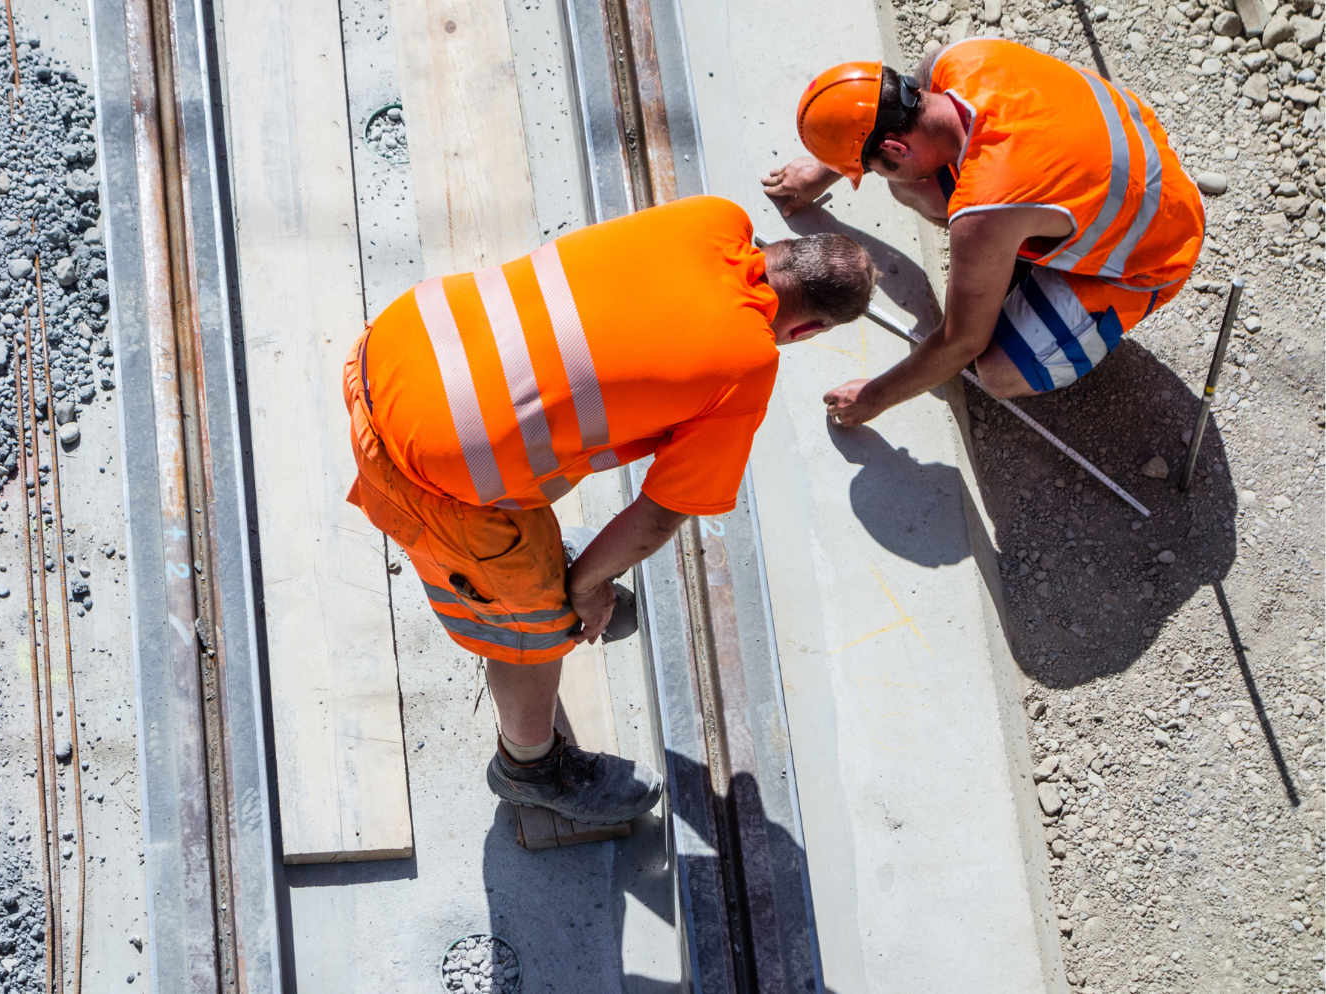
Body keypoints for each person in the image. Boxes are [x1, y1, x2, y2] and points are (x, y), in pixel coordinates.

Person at [343, 195, 875, 825]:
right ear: (808, 330)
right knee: (532, 630)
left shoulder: (712, 217)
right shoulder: (749, 363)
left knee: (556, 426)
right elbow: (658, 515)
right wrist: (585, 587)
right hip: (423, 465)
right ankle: (528, 769)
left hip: (398, 342)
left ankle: (541, 567)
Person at [762, 39, 1205, 426]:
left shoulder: (988, 207)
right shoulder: (956, 60)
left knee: (994, 368)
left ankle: (1061, 290)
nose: (873, 176)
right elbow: (880, 115)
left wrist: (873, 398)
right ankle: (1022, 255)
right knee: (913, 186)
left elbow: (959, 342)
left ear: (895, 147)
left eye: (870, 168)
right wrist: (825, 168)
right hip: (1137, 160)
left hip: (1153, 253)